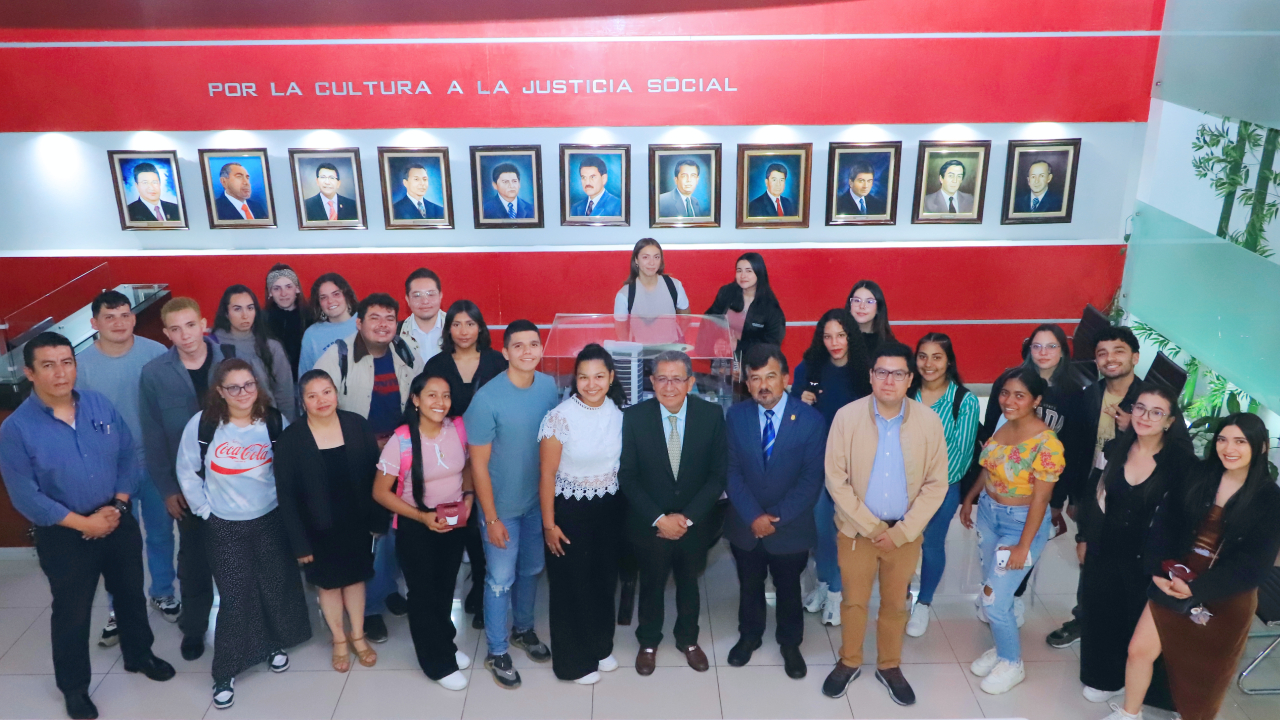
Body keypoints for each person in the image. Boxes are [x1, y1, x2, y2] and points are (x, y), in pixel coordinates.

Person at [0, 332, 176, 720]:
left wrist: (118, 504)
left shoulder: (98, 404)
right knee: (72, 612)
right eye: (48, 365)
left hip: (116, 518)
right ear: (30, 373)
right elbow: (25, 496)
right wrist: (85, 523)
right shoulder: (16, 429)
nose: (61, 373)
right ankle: (75, 687)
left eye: (67, 362)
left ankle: (139, 655)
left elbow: (129, 455)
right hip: (64, 533)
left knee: (129, 594)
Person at [1104, 413, 1280, 720]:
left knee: (1204, 677)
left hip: (1226, 596)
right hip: (1174, 580)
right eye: (1223, 440)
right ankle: (1128, 714)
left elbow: (1255, 565)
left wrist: (1196, 589)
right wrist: (1158, 571)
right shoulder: (1199, 474)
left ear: (1261, 446)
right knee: (1139, 651)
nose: (1229, 448)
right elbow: (1164, 524)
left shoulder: (1270, 499)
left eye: (1240, 441)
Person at [175, 358, 310, 709]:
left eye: (248, 384)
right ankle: (225, 671)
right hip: (224, 524)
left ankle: (274, 644)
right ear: (219, 391)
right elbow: (187, 470)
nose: (242, 393)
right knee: (235, 596)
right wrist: (205, 510)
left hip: (270, 519)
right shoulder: (203, 426)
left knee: (275, 584)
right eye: (233, 387)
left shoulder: (275, 421)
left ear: (257, 385)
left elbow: (293, 469)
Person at [820, 342, 948, 706]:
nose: (888, 380)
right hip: (857, 531)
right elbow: (835, 479)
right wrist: (871, 527)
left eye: (897, 373)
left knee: (895, 604)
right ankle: (849, 661)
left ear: (910, 379)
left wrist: (903, 531)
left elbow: (937, 483)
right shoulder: (847, 417)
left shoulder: (928, 421)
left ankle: (889, 665)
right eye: (881, 372)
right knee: (854, 601)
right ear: (871, 376)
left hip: (905, 534)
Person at [1076, 384, 1189, 710]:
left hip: (1152, 558)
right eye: (1140, 408)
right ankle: (1104, 677)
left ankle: (1149, 692)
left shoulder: (1181, 463)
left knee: (1141, 621)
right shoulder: (1115, 448)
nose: (1145, 417)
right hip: (1105, 547)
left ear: (1169, 421)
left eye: (1156, 412)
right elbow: (1092, 493)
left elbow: (1185, 518)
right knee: (1100, 613)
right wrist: (1083, 536)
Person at [314, 293, 418, 642]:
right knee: (367, 533)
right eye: (375, 318)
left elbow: (418, 396)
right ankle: (370, 608)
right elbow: (319, 407)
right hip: (355, 457)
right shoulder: (338, 355)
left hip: (399, 455)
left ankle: (388, 589)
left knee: (392, 526)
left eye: (390, 318)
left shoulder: (405, 350)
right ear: (359, 323)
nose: (383, 325)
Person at [75, 292, 177, 646]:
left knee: (161, 531)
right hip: (108, 468)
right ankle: (120, 608)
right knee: (117, 541)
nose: (119, 322)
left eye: (124, 315)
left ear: (133, 318)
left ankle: (163, 591)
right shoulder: (81, 365)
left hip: (154, 460)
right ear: (94, 324)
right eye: (110, 317)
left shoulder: (156, 353)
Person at [618, 350, 728, 676]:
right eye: (661, 378)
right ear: (651, 382)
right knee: (651, 583)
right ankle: (648, 641)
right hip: (650, 522)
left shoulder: (710, 415)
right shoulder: (635, 417)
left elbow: (717, 476)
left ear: (690, 382)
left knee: (689, 583)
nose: (669, 386)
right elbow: (628, 476)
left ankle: (688, 641)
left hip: (694, 522)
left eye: (677, 378)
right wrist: (659, 519)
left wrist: (687, 518)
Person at [464, 319, 560, 689]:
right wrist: (490, 518)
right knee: (500, 580)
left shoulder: (549, 387)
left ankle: (523, 630)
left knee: (532, 569)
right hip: (500, 508)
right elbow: (478, 466)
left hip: (537, 503)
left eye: (533, 344)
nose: (527, 352)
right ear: (504, 352)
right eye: (518, 346)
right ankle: (496, 650)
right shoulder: (486, 400)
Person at [959, 368, 1064, 695]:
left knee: (994, 601)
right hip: (990, 515)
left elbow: (1041, 500)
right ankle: (1001, 649)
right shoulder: (1004, 426)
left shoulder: (1047, 443)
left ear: (1037, 400)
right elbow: (989, 467)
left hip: (1021, 523)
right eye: (1005, 393)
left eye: (1019, 395)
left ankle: (1012, 662)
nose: (1009, 400)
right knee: (989, 585)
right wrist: (972, 497)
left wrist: (1023, 546)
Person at [724, 344, 825, 679]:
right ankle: (749, 636)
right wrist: (754, 516)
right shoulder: (735, 417)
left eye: (770, 376)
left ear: (785, 378)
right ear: (746, 383)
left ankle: (790, 643)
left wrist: (775, 517)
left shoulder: (810, 420)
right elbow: (732, 472)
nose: (763, 385)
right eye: (755, 378)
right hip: (745, 524)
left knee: (788, 588)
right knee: (749, 584)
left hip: (790, 526)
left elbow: (812, 479)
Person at [273, 370, 384, 674]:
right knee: (329, 584)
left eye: (327, 391)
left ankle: (358, 636)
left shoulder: (357, 425)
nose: (321, 400)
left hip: (356, 521)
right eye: (312, 395)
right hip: (317, 527)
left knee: (356, 579)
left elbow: (377, 476)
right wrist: (299, 542)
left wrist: (378, 519)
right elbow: (286, 495)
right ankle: (338, 639)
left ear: (336, 393)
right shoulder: (291, 439)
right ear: (302, 401)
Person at [373, 370, 476, 690]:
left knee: (447, 587)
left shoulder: (457, 428)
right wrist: (420, 516)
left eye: (445, 396)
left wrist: (469, 497)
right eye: (431, 395)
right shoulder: (401, 440)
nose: (440, 402)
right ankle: (436, 663)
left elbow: (469, 466)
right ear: (416, 400)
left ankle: (446, 643)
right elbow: (380, 492)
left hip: (453, 520)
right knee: (423, 593)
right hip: (416, 524)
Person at [139, 297, 225, 662]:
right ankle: (194, 627)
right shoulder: (155, 372)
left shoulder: (233, 362)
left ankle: (252, 620)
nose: (184, 335)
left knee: (244, 555)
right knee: (193, 561)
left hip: (237, 479)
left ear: (204, 323)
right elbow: (153, 435)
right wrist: (168, 489)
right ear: (165, 333)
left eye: (190, 325)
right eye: (174, 329)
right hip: (188, 485)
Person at [1047, 325, 1144, 649]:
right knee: (1087, 554)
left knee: (1125, 565)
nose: (1109, 359)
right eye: (1102, 353)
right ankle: (1085, 618)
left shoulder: (1152, 401)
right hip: (1093, 487)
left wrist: (1135, 429)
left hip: (1135, 496)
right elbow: (1072, 451)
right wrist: (1063, 498)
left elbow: (1175, 452)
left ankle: (1121, 627)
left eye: (1118, 351)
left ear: (1135, 357)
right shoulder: (1088, 396)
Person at [539, 344, 626, 684]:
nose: (591, 384)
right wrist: (549, 524)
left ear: (611, 378)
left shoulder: (617, 413)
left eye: (599, 377)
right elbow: (546, 474)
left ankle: (600, 646)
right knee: (571, 584)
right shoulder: (559, 418)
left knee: (604, 581)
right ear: (575, 379)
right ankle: (572, 662)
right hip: (570, 509)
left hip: (609, 508)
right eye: (584, 377)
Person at [423, 299, 507, 627]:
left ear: (480, 328)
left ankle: (486, 590)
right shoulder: (438, 363)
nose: (463, 331)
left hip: (493, 452)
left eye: (469, 324)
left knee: (489, 516)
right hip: (451, 456)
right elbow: (427, 407)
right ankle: (472, 585)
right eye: (456, 324)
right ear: (448, 329)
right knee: (464, 522)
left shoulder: (497, 361)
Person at [792, 309, 872, 627]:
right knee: (821, 530)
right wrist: (800, 400)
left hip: (853, 466)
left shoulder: (865, 371)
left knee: (845, 533)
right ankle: (825, 586)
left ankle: (839, 594)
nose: (834, 342)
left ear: (851, 335)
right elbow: (792, 416)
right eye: (827, 336)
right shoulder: (808, 367)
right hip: (816, 463)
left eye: (840, 335)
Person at [905, 333, 980, 638]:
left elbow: (961, 457)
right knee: (901, 542)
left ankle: (923, 602)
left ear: (949, 361)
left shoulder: (965, 400)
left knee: (931, 544)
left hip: (942, 488)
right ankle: (898, 598)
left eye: (937, 357)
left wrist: (926, 489)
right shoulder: (905, 393)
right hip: (900, 485)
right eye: (922, 356)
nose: (929, 364)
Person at [212, 284, 296, 420]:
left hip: (267, 421)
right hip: (227, 425)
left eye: (250, 308)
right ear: (226, 313)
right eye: (237, 309)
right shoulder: (213, 344)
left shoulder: (271, 347)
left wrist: (286, 428)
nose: (245, 315)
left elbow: (285, 395)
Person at [704, 251, 786, 367]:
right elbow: (710, 319)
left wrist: (738, 345)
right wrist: (717, 340)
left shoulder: (770, 307)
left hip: (754, 365)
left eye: (749, 271)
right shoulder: (727, 293)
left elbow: (772, 344)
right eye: (739, 270)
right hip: (723, 361)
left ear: (759, 273)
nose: (743, 276)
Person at [298, 273, 359, 376]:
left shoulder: (365, 323)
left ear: (346, 296)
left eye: (336, 294)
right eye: (323, 297)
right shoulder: (312, 335)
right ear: (319, 304)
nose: (330, 301)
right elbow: (305, 379)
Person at [264, 264, 312, 380]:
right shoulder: (261, 320)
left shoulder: (311, 317)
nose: (283, 293)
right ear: (270, 292)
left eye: (288, 287)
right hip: (274, 384)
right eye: (276, 288)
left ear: (297, 289)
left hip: (307, 382)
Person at [399, 267, 445, 367]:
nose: (425, 301)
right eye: (417, 295)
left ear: (440, 296)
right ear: (407, 299)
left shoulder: (457, 329)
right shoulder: (395, 334)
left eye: (430, 294)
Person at [845, 279, 894, 355]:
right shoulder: (837, 341)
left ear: (878, 308)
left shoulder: (889, 346)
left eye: (869, 302)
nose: (862, 306)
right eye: (857, 300)